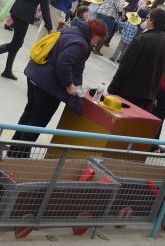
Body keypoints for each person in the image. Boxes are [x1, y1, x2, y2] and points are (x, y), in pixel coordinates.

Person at [8, 19, 108, 158]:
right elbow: (63, 63)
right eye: (99, 39)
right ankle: (18, 156)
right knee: (38, 121)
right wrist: (69, 85)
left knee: (29, 113)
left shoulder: (71, 30)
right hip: (48, 85)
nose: (98, 42)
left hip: (36, 73)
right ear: (95, 34)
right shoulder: (81, 44)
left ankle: (15, 149)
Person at [107, 7, 165, 112]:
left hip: (129, 91)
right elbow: (163, 72)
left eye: (148, 18)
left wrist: (113, 87)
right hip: (148, 96)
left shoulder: (142, 39)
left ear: (152, 21)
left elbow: (125, 65)